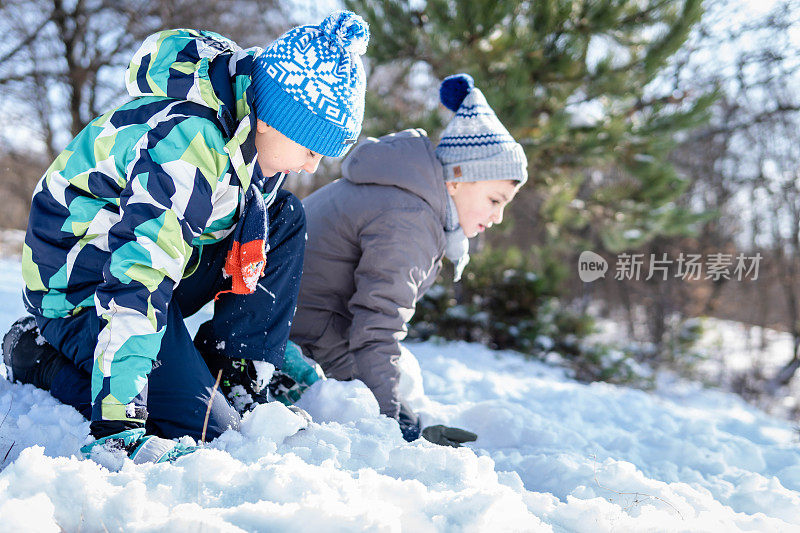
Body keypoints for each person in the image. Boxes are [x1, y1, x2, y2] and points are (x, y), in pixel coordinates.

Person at [2, 11, 370, 463]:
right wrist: (121, 420)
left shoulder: (254, 131)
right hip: (84, 283)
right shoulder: (187, 142)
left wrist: (256, 349)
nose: (313, 165)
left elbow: (239, 234)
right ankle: (35, 354)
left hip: (162, 265)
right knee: (199, 429)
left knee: (283, 214)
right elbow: (139, 273)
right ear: (273, 120)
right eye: (311, 149)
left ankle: (232, 373)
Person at [289, 73, 528, 447]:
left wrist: (402, 414)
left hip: (304, 322)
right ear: (458, 179)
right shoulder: (411, 216)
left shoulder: (410, 198)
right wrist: (391, 425)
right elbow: (376, 326)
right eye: (494, 200)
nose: (497, 217)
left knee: (399, 382)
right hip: (298, 337)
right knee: (377, 401)